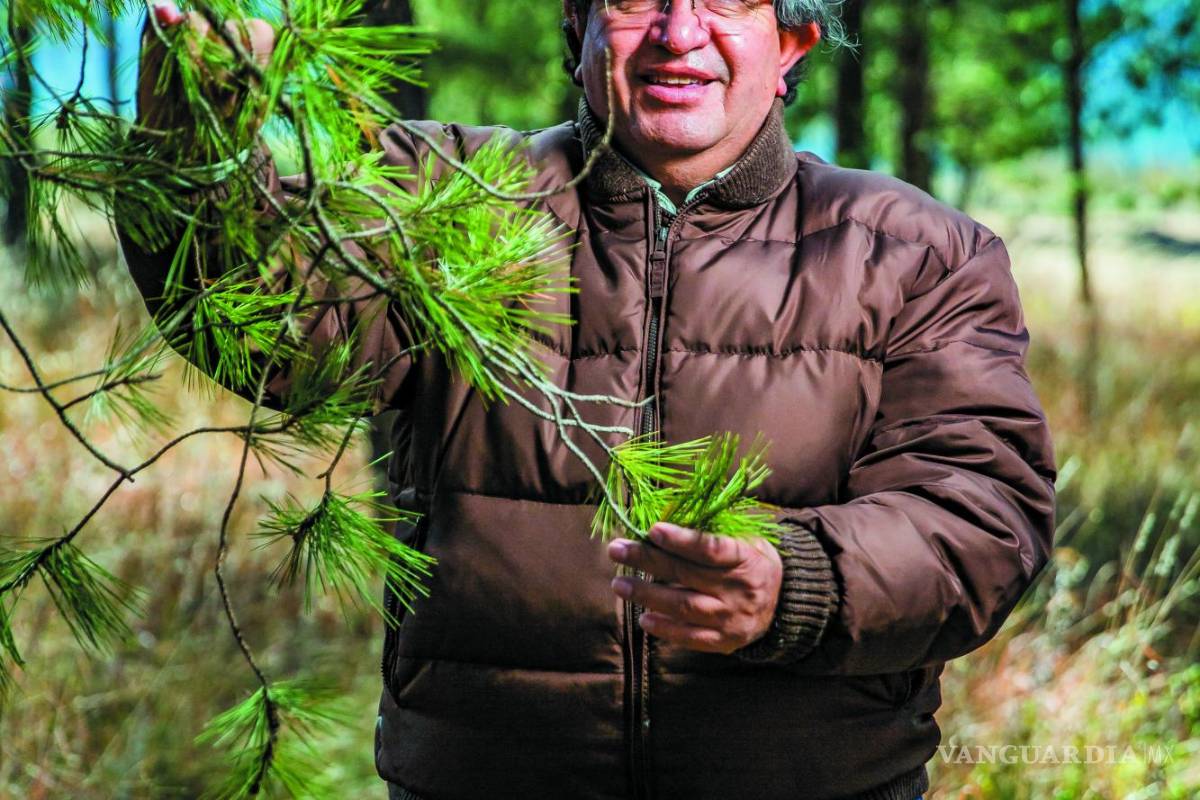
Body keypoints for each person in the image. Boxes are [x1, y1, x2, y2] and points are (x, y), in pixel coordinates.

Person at [124, 2, 1058, 799]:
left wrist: (795, 585)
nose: (679, 32)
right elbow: (262, 326)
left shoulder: (916, 254)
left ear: (791, 44)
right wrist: (193, 138)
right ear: (579, 26)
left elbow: (983, 519)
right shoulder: (452, 201)